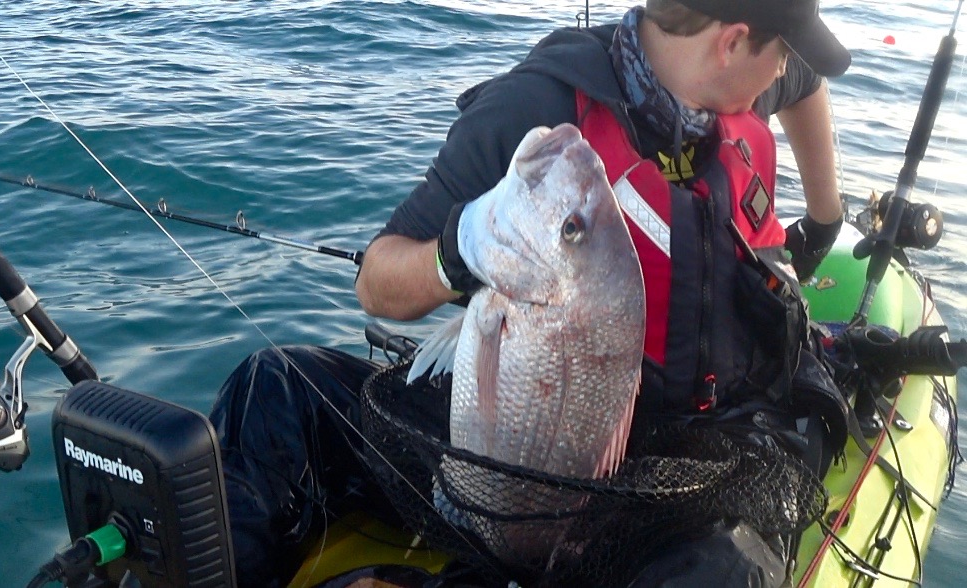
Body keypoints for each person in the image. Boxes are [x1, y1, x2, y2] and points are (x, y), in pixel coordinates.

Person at [210, 0, 851, 585]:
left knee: (723, 569)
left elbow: (806, 84)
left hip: (694, 445)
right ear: (732, 42)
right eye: (781, 54)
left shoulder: (742, 77)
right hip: (520, 426)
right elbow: (377, 282)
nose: (781, 73)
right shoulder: (534, 108)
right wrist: (460, 250)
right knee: (278, 389)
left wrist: (826, 217)